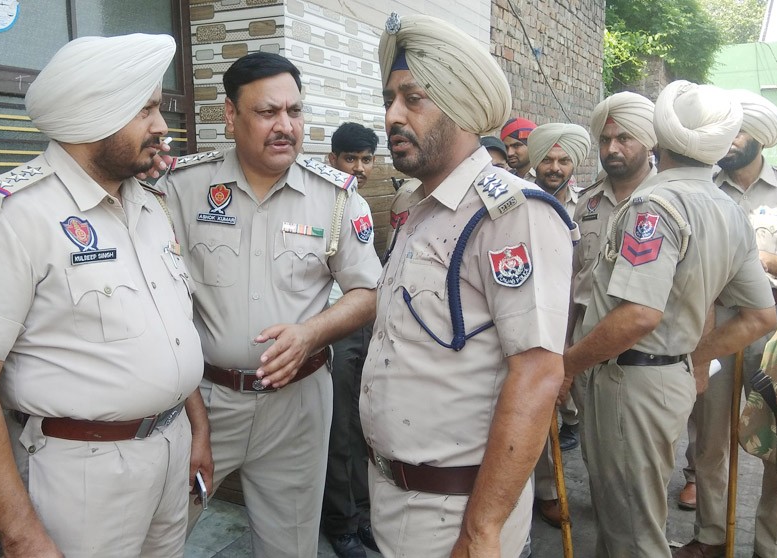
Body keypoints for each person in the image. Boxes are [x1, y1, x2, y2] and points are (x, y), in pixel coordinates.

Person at [0, 34, 210, 558]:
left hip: (171, 452)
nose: (162, 128)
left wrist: (197, 432)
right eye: (146, 111)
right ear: (94, 114)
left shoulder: (148, 204)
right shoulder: (9, 217)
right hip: (85, 476)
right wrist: (21, 532)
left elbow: (169, 336)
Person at [362, 13, 574, 557]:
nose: (393, 116)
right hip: (394, 499)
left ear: (459, 106)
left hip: (457, 514)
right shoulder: (417, 207)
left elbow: (537, 372)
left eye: (413, 99)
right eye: (389, 99)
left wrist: (481, 531)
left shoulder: (510, 213)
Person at [157, 52, 381, 558]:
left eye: (294, 112)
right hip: (203, 403)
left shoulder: (338, 198)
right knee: (161, 535)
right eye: (267, 113)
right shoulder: (181, 186)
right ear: (231, 116)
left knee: (291, 545)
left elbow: (369, 292)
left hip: (298, 406)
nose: (285, 126)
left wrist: (312, 333)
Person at [561, 80, 777, 558]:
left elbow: (638, 314)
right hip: (665, 379)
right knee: (630, 515)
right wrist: (689, 357)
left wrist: (568, 364)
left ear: (659, 136)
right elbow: (760, 314)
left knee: (633, 532)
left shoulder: (653, 206)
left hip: (629, 383)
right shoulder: (728, 209)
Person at [674, 90, 777, 558]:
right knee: (710, 441)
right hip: (717, 330)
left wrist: (761, 259)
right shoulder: (703, 187)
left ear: (760, 139)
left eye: (740, 130)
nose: (731, 139)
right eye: (726, 129)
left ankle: (772, 548)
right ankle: (710, 536)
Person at [570, 91, 657, 434]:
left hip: (641, 358)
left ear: (649, 142)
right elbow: (574, 278)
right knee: (596, 459)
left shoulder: (666, 200)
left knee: (633, 470)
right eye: (604, 140)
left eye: (624, 138)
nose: (611, 149)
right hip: (584, 351)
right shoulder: (586, 203)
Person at [524, 122, 591, 527]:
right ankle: (546, 491)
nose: (554, 167)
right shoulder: (515, 197)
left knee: (578, 408)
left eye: (564, 160)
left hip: (576, 318)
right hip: (528, 316)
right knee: (534, 407)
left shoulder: (588, 205)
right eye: (547, 159)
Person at [321, 122, 380, 558]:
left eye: (365, 160)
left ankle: (362, 513)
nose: (358, 168)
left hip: (364, 324)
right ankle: (341, 522)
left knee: (362, 425)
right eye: (349, 159)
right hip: (335, 326)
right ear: (332, 159)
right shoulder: (324, 202)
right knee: (340, 429)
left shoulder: (358, 203)